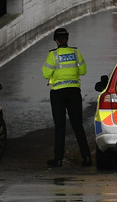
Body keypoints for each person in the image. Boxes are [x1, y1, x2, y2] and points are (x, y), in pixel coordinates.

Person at [41, 26, 91, 167]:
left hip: (58, 93)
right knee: (78, 125)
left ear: (56, 41)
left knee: (60, 126)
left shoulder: (53, 55)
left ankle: (58, 159)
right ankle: (86, 157)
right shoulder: (75, 53)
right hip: (74, 92)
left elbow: (45, 74)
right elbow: (83, 70)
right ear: (67, 39)